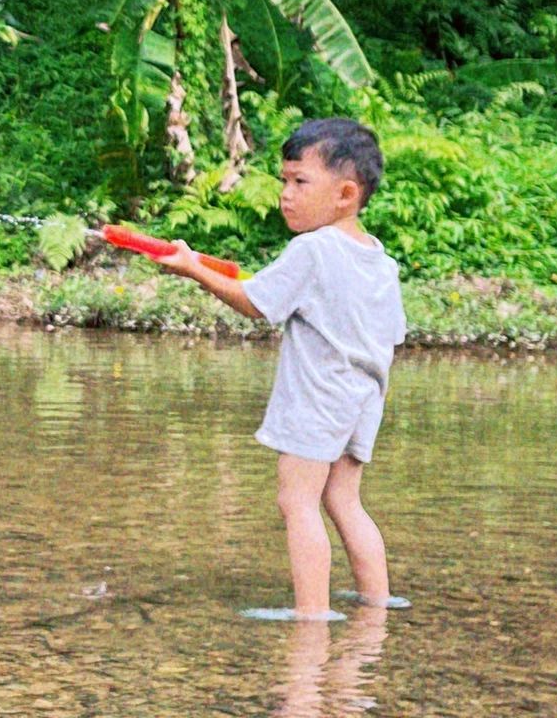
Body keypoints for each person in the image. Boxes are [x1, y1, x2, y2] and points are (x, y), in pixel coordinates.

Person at [159, 118, 407, 620]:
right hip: (365, 395)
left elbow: (254, 303)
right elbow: (391, 332)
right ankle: (376, 604)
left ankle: (311, 614)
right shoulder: (379, 259)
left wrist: (193, 269)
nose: (286, 195)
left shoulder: (312, 249)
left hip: (319, 395)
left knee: (297, 501)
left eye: (300, 182)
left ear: (345, 194)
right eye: (283, 181)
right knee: (344, 501)